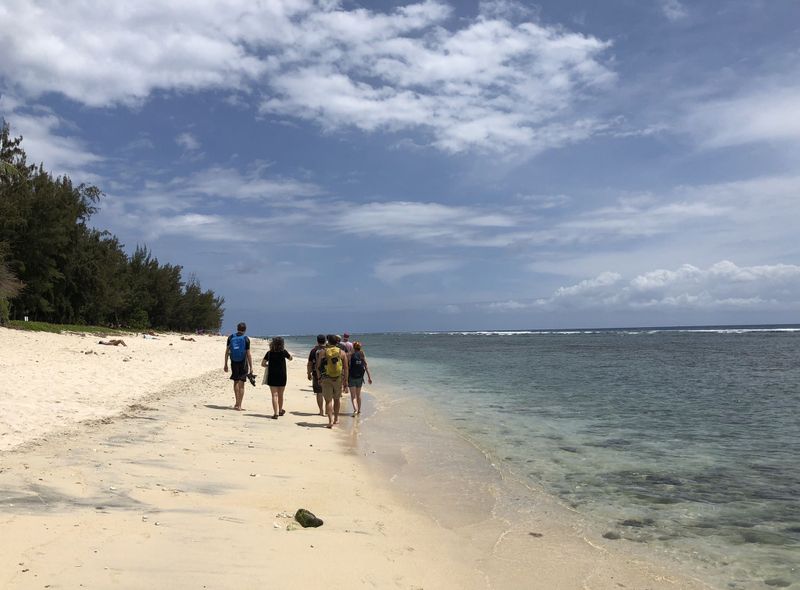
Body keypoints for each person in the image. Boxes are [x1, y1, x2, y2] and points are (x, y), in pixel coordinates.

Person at [316, 334, 349, 428]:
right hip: (338, 378)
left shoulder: (323, 351)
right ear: (337, 342)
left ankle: (330, 421)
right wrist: (346, 381)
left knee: (328, 401)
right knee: (337, 399)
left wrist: (319, 378)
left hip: (326, 378)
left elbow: (318, 366)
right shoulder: (342, 352)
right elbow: (346, 368)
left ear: (328, 341)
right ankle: (336, 419)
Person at [224, 322, 252, 411]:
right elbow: (248, 354)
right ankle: (239, 405)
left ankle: (236, 402)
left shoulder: (231, 337)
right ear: (245, 329)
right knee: (242, 383)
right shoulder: (246, 339)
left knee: (236, 381)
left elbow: (227, 352)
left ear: (237, 328)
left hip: (233, 361)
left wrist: (225, 364)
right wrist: (251, 367)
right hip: (243, 362)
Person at [262, 336, 293, 419]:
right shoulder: (284, 352)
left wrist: (269, 365)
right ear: (282, 344)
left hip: (272, 375)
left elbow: (263, 364)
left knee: (274, 395)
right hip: (282, 375)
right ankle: (280, 411)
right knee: (281, 394)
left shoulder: (269, 353)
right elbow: (291, 358)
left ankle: (275, 413)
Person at [348, 341, 372, 416]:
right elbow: (366, 366)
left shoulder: (351, 354)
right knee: (358, 395)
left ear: (353, 347)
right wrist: (369, 377)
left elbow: (347, 365)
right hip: (360, 378)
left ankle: (355, 409)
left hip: (352, 377)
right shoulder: (362, 354)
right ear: (360, 347)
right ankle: (359, 410)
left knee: (353, 395)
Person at [307, 334, 326, 415]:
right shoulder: (328, 350)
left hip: (316, 374)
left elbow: (310, 363)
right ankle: (329, 410)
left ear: (317, 341)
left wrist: (309, 373)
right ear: (325, 341)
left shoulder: (313, 350)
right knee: (328, 393)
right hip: (328, 374)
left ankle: (321, 411)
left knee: (319, 393)